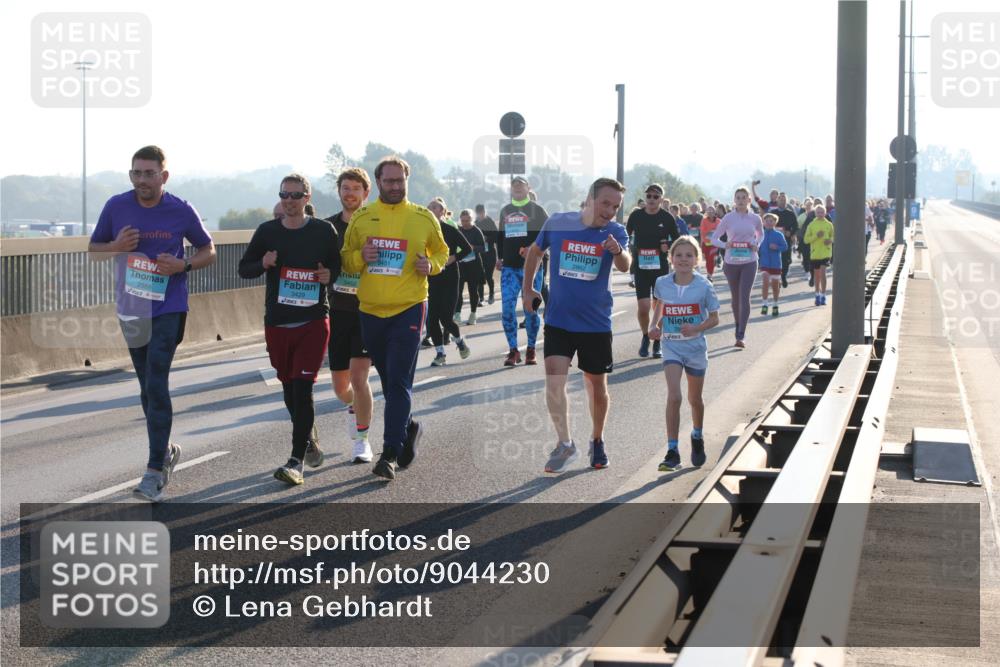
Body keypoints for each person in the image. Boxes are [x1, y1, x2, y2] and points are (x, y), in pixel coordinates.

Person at [88, 145, 216, 502]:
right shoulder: (116, 206)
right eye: (136, 173)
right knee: (147, 386)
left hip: (168, 306)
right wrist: (116, 245)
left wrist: (183, 265)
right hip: (131, 308)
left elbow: (208, 249)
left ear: (164, 176)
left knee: (157, 379)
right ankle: (166, 450)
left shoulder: (180, 209)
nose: (142, 180)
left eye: (148, 173)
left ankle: (154, 471)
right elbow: (94, 249)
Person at [341, 156, 449, 481]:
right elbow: (346, 260)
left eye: (400, 181)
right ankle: (409, 427)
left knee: (400, 380)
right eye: (389, 181)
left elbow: (441, 252)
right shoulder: (362, 218)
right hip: (371, 311)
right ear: (378, 182)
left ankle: (388, 453)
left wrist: (431, 266)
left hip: (409, 307)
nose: (395, 186)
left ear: (406, 181)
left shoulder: (423, 217)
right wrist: (361, 256)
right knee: (390, 383)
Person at [522, 177, 631, 473]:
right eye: (605, 203)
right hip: (559, 320)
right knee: (554, 379)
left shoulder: (615, 232)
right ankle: (565, 443)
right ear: (590, 198)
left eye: (616, 207)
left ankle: (597, 439)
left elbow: (625, 265)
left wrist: (617, 251)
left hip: (595, 323)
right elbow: (535, 251)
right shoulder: (559, 222)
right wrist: (528, 289)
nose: (610, 211)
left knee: (596, 385)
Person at [239, 173, 340, 486]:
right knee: (288, 388)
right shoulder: (267, 232)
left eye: (296, 195)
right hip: (278, 322)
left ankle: (296, 461)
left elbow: (338, 266)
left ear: (307, 198)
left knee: (303, 388)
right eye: (284, 195)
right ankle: (307, 438)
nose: (289, 201)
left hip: (313, 320)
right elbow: (244, 269)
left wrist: (329, 275)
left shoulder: (323, 231)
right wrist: (264, 263)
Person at [648, 236, 720, 471]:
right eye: (678, 255)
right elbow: (660, 306)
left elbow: (715, 318)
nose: (683, 259)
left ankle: (697, 435)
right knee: (674, 396)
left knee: (694, 400)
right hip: (671, 346)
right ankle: (672, 451)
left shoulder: (704, 285)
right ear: (671, 258)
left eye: (689, 255)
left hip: (695, 349)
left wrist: (696, 328)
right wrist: (654, 325)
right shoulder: (662, 283)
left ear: (696, 259)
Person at [325, 167, 375, 464]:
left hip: (367, 310)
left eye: (356, 188)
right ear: (339, 191)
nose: (351, 193)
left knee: (359, 377)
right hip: (336, 310)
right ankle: (356, 406)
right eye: (346, 188)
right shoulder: (327, 228)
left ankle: (362, 440)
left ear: (366, 193)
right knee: (341, 388)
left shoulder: (375, 223)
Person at [496, 175, 548, 366]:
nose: (517, 187)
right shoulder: (505, 211)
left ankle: (531, 349)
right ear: (511, 189)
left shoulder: (537, 210)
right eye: (514, 185)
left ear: (528, 188)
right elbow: (500, 237)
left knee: (530, 310)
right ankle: (513, 351)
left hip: (532, 268)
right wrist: (499, 257)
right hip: (510, 268)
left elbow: (548, 236)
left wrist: (532, 248)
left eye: (521, 185)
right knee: (507, 311)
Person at [626, 184, 681, 359]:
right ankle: (645, 336)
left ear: (661, 199)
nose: (651, 199)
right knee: (643, 308)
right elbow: (625, 235)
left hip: (660, 268)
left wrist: (668, 246)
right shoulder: (636, 216)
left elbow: (678, 240)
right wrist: (625, 251)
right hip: (641, 268)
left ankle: (657, 341)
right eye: (649, 196)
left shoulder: (667, 217)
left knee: (659, 306)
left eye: (655, 197)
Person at [712, 186, 763, 349]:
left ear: (749, 200)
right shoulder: (728, 218)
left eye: (744, 197)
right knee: (736, 298)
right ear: (734, 200)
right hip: (731, 262)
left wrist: (756, 244)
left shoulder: (755, 218)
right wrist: (725, 244)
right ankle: (737, 325)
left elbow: (761, 234)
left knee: (744, 296)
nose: (741, 200)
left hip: (750, 261)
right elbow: (714, 238)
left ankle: (741, 334)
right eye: (738, 198)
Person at [425, 199, 473, 366]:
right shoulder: (424, 231)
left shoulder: (450, 230)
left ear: (442, 211)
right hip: (431, 278)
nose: (430, 209)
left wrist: (454, 257)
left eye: (434, 207)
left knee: (446, 319)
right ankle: (440, 354)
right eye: (429, 207)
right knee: (432, 319)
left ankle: (459, 341)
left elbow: (467, 248)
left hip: (450, 278)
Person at [456, 209, 487, 325]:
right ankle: (457, 314)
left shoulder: (476, 231)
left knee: (473, 291)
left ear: (472, 219)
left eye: (467, 220)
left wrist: (473, 247)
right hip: (461, 265)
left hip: (474, 265)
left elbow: (484, 248)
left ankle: (473, 314)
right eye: (463, 221)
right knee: (458, 291)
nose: (465, 223)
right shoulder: (458, 230)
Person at [803, 204, 834, 306]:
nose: (820, 214)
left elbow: (833, 236)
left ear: (825, 213)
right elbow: (806, 240)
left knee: (823, 273)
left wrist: (830, 240)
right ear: (815, 213)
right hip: (815, 254)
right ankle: (817, 295)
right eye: (818, 212)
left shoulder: (829, 224)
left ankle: (823, 295)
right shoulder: (811, 225)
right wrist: (816, 236)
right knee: (817, 276)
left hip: (826, 252)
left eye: (822, 212)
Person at [758, 213, 788, 316]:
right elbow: (756, 246)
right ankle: (765, 304)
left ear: (775, 222)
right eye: (767, 221)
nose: (769, 223)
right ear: (763, 223)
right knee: (765, 281)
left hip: (776, 264)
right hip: (764, 263)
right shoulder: (761, 234)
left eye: (771, 221)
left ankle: (775, 304)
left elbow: (785, 247)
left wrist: (777, 247)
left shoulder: (778, 235)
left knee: (775, 286)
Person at [773, 193, 799, 287]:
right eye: (781, 199)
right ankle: (777, 278)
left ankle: (783, 276)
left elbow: (796, 226)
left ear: (786, 202)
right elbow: (767, 225)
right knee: (776, 260)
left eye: (784, 200)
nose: (782, 201)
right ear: (777, 201)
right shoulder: (773, 213)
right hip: (775, 240)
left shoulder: (790, 213)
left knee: (786, 260)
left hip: (786, 240)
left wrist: (791, 233)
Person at [474, 204, 498, 305]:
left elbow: (497, 236)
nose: (481, 215)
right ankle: (481, 297)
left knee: (488, 275)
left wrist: (487, 238)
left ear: (485, 212)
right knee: (480, 275)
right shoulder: (475, 223)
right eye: (479, 213)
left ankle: (491, 294)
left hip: (490, 253)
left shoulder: (489, 221)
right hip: (480, 253)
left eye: (482, 213)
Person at [699, 205, 721, 279]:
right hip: (706, 243)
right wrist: (712, 230)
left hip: (714, 243)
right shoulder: (704, 220)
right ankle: (709, 273)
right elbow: (702, 232)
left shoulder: (718, 221)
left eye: (712, 210)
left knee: (711, 259)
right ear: (706, 212)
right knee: (708, 260)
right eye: (708, 211)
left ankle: (709, 274)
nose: (710, 212)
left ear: (714, 212)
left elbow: (721, 231)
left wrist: (711, 231)